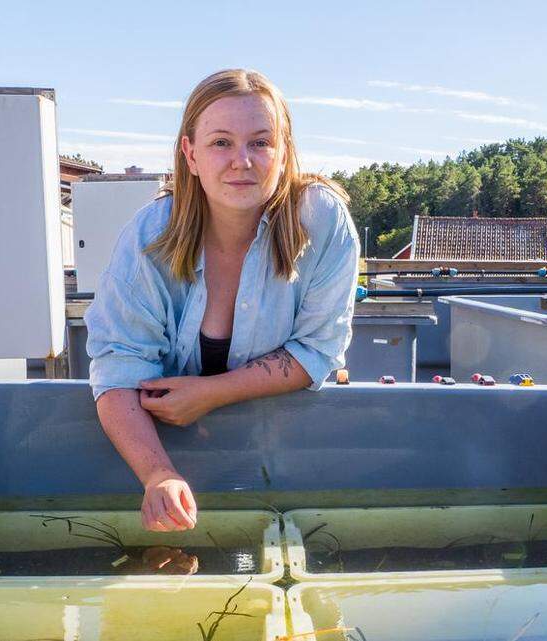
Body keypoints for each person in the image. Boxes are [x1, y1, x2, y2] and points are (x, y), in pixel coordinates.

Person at [85, 68, 360, 533]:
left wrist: (210, 393)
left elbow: (318, 349)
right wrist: (158, 475)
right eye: (220, 143)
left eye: (260, 142)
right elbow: (117, 368)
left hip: (284, 454)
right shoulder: (149, 236)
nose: (241, 161)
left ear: (284, 152)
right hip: (168, 445)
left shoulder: (322, 220)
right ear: (190, 154)